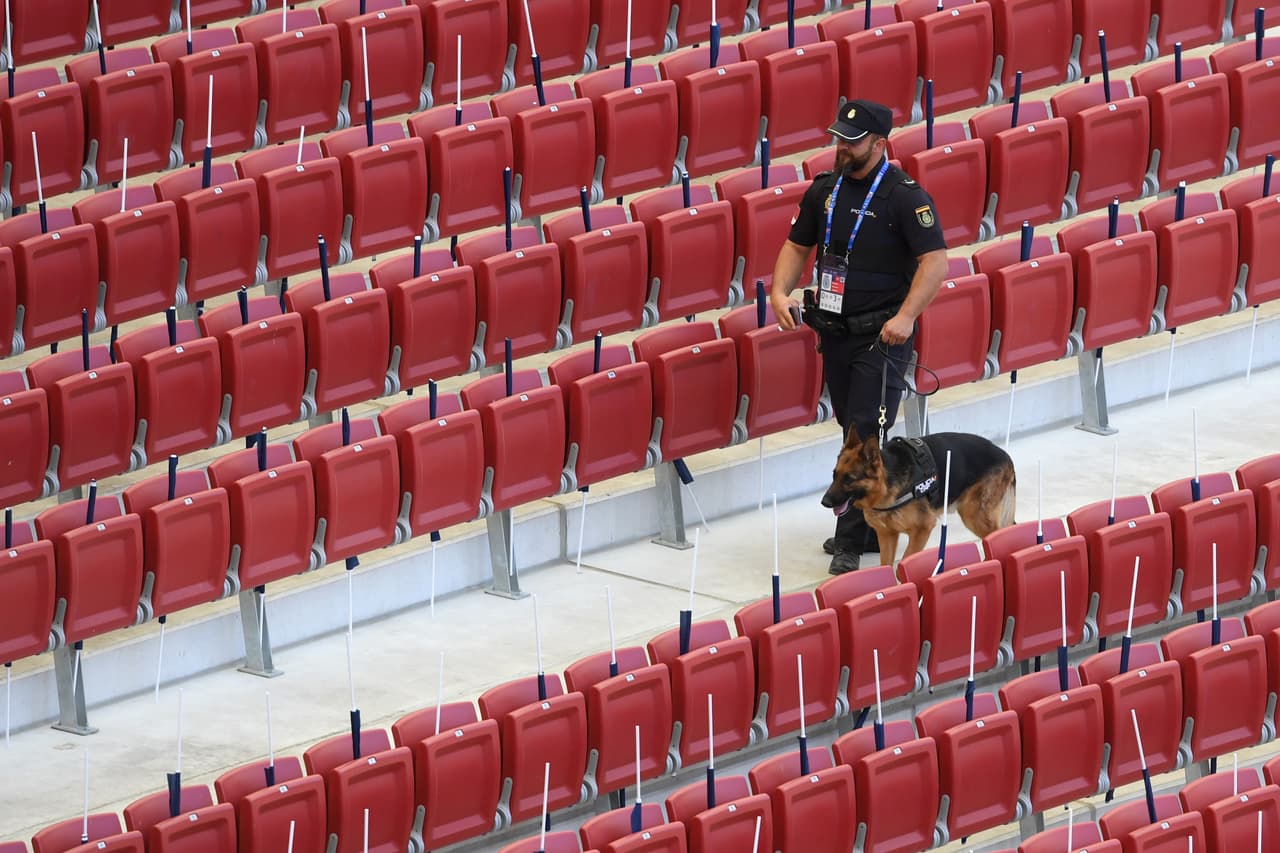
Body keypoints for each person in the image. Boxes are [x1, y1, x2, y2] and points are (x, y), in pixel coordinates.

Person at [770, 99, 948, 574]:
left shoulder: (904, 197)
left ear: (880, 144)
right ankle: (872, 523)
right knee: (849, 424)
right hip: (835, 332)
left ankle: (849, 541)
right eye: (839, 139)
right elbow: (796, 245)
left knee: (865, 434)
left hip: (882, 338)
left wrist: (907, 317)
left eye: (852, 142)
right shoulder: (825, 191)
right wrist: (779, 291)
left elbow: (935, 263)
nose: (842, 148)